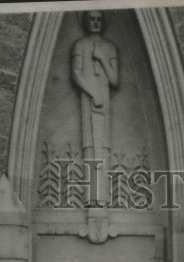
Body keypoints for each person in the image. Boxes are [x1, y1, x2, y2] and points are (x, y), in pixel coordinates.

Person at [71, 9, 119, 205]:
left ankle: (103, 197)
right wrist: (92, 93)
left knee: (104, 146)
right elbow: (76, 73)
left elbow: (115, 80)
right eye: (92, 18)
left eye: (99, 19)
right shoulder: (80, 45)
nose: (96, 22)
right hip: (89, 100)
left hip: (104, 102)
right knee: (90, 146)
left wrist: (101, 58)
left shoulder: (110, 47)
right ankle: (92, 196)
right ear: (85, 21)